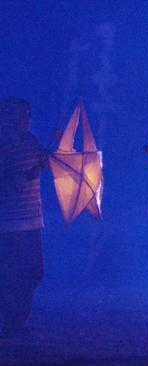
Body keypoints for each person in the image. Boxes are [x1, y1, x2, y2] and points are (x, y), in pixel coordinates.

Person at [0, 97, 55, 337]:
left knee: (34, 271)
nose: (28, 120)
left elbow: (46, 166)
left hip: (32, 220)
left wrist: (50, 159)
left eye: (29, 115)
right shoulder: (3, 147)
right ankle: (12, 322)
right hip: (9, 224)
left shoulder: (31, 142)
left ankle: (17, 319)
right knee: (12, 274)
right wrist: (29, 175)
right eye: (23, 115)